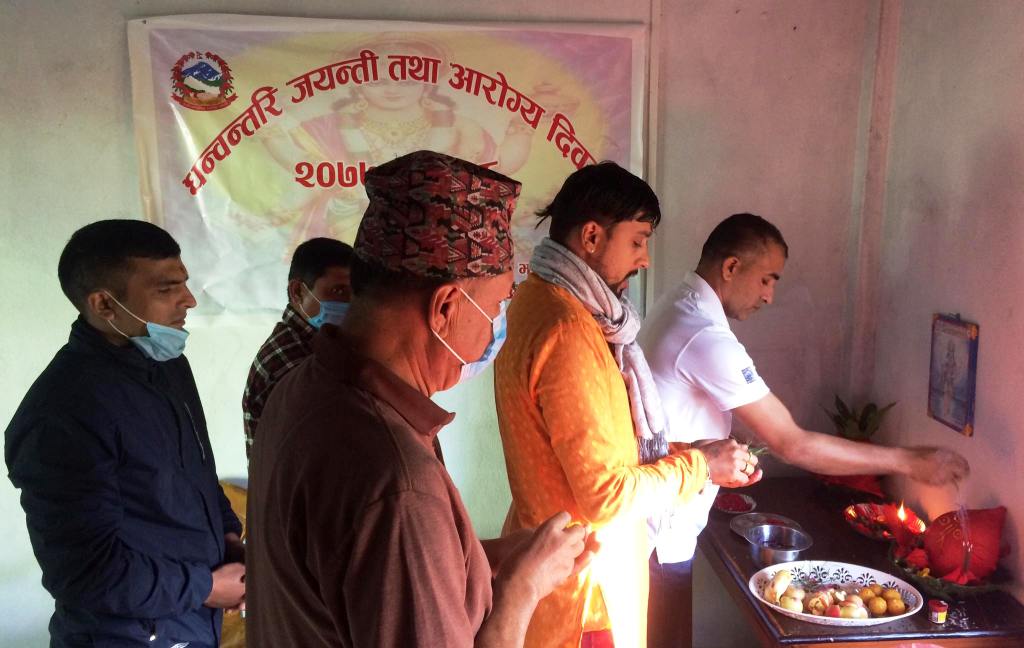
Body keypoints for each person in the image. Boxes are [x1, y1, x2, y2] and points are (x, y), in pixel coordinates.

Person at [246, 150, 595, 648]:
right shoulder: (396, 481)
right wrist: (523, 589)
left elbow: (377, 578)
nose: (498, 325)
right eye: (499, 304)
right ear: (446, 307)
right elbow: (398, 538)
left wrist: (492, 557)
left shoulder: (302, 387)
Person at [639, 213, 971, 648]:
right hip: (660, 534)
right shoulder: (702, 334)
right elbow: (793, 443)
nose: (769, 296)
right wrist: (909, 461)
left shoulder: (678, 304)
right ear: (731, 267)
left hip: (656, 518)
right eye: (766, 280)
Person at [493, 162, 753, 648]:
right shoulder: (568, 331)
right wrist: (700, 466)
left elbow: (598, 448)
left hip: (556, 566)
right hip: (586, 593)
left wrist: (688, 451)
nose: (645, 259)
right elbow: (605, 495)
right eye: (637, 241)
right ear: (592, 236)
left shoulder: (537, 301)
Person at [5, 220, 245, 647]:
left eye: (185, 283)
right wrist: (206, 587)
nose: (189, 300)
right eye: (166, 289)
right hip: (126, 636)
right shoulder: (62, 413)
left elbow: (196, 475)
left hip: (189, 623)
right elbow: (85, 573)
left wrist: (226, 539)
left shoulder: (166, 364)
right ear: (105, 304)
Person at [242, 236, 353, 462]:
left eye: (355, 293)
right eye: (338, 291)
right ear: (297, 292)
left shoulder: (320, 346)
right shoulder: (289, 359)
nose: (350, 304)